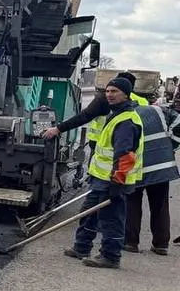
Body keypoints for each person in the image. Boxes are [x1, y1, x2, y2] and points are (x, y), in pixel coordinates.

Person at [64, 76, 144, 269]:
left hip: (113, 180)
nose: (109, 95)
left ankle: (110, 256)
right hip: (100, 177)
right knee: (88, 213)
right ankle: (81, 247)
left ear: (126, 94)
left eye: (114, 91)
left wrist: (117, 182)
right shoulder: (115, 114)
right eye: (107, 91)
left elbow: (125, 155)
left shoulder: (126, 121)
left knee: (111, 219)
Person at [125, 97, 179, 255]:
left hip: (137, 167)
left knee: (132, 202)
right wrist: (172, 146)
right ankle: (161, 244)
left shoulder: (125, 115)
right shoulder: (158, 110)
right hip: (161, 166)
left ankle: (130, 242)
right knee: (160, 205)